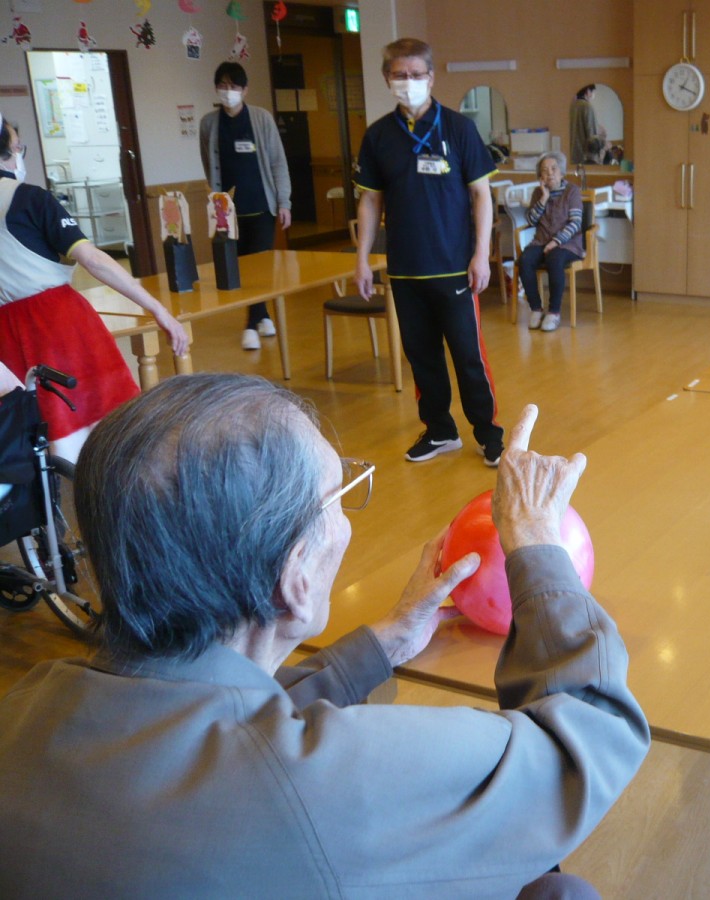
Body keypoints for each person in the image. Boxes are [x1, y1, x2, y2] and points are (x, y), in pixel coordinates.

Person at [0, 375, 650, 898]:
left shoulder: (26, 708)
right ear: (296, 579)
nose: (345, 519)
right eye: (339, 496)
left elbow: (210, 725)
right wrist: (534, 539)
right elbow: (591, 739)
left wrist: (386, 643)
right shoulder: (318, 784)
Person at [0, 114, 188, 463]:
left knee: (39, 433)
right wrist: (157, 308)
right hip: (59, 324)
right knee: (108, 427)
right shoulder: (29, 199)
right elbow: (94, 261)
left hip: (6, 336)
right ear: (8, 153)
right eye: (17, 146)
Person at [354, 38, 504, 467]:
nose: (409, 82)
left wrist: (481, 255)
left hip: (455, 267)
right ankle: (440, 430)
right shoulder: (378, 135)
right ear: (387, 78)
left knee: (468, 356)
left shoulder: (458, 128)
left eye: (416, 74)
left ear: (431, 77)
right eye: (400, 75)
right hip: (405, 270)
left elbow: (481, 195)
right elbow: (370, 201)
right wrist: (362, 259)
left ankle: (489, 433)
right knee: (422, 357)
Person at [199, 61, 292, 351]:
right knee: (238, 267)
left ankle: (251, 324)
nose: (228, 91)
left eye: (234, 86)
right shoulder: (209, 123)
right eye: (223, 85)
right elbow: (209, 164)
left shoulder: (261, 119)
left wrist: (284, 202)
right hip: (227, 212)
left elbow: (278, 162)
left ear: (245, 90)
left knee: (259, 266)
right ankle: (262, 315)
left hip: (262, 206)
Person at [519, 151, 584, 332]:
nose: (550, 173)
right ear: (540, 175)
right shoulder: (538, 192)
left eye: (553, 169)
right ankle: (536, 309)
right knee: (525, 260)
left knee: (554, 259)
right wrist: (543, 198)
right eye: (545, 170)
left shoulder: (572, 191)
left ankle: (554, 312)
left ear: (561, 171)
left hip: (568, 243)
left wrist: (555, 241)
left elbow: (575, 223)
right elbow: (531, 221)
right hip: (541, 241)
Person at [569, 84, 600, 167]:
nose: (593, 95)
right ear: (588, 91)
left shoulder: (571, 106)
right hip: (585, 157)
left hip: (571, 156)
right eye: (593, 92)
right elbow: (592, 135)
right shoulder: (587, 107)